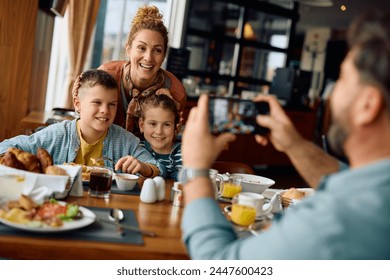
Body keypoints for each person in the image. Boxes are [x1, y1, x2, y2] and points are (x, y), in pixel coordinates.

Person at [179, 10, 390, 259]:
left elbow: (216, 264)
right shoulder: (373, 198)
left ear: (368, 105)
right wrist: (294, 144)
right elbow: (352, 187)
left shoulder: (332, 222)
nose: (331, 94)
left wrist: (196, 171)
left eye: (342, 79)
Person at [0, 69, 163, 178]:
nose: (105, 110)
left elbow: (158, 168)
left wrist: (143, 167)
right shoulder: (56, 135)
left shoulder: (125, 141)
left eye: (112, 104)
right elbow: (5, 147)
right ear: (77, 104)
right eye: (97, 102)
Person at [98, 5, 186, 133]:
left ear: (164, 56)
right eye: (141, 48)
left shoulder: (175, 92)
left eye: (157, 50)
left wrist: (167, 111)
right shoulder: (106, 76)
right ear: (128, 49)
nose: (148, 58)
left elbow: (166, 143)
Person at [138, 93, 182, 180]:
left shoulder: (184, 153)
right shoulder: (138, 149)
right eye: (153, 124)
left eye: (166, 125)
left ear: (175, 128)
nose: (159, 131)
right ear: (142, 125)